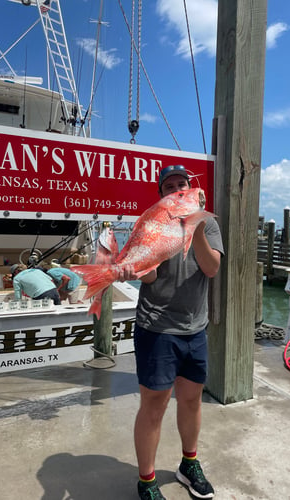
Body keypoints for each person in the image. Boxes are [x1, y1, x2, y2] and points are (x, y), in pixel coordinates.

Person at [118, 165, 224, 500]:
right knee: (154, 406)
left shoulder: (209, 222)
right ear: (162, 195)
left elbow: (211, 268)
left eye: (183, 185)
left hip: (195, 329)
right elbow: (148, 277)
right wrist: (132, 269)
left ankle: (188, 464)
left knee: (192, 399)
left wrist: (197, 229)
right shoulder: (153, 223)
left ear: (191, 190)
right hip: (157, 328)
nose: (178, 191)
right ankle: (146, 480)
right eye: (170, 187)